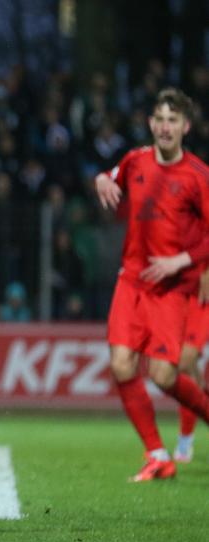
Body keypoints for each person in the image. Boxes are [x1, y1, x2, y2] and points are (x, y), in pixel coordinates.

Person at [95, 88, 209, 482]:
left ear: (186, 127)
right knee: (121, 365)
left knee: (163, 376)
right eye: (159, 118)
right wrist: (101, 180)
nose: (164, 126)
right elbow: (111, 176)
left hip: (172, 288)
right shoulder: (135, 160)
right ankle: (158, 455)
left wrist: (183, 259)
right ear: (150, 123)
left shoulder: (198, 176)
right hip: (131, 280)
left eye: (172, 120)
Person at [173, 268, 209, 462]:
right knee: (184, 366)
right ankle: (185, 439)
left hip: (203, 293)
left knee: (185, 360)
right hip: (184, 292)